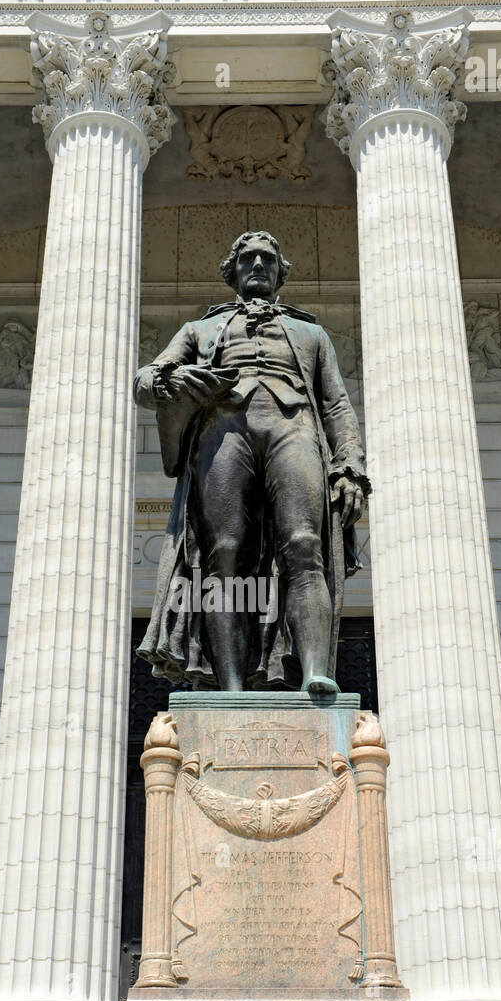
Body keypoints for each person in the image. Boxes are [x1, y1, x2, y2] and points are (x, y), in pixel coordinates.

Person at [135, 230, 369, 693]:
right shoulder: (198, 331)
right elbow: (145, 382)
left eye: (267, 258)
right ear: (233, 272)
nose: (258, 265)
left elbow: (336, 405)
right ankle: (232, 689)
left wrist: (350, 467)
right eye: (247, 259)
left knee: (305, 544)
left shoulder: (312, 333)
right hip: (224, 433)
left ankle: (316, 673)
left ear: (281, 271)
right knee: (224, 555)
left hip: (294, 427)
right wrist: (175, 378)